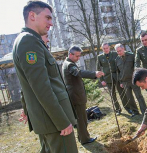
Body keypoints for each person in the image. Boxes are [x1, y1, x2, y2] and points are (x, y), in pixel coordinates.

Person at [13, 1, 78, 152]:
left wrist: (26, 108)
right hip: (54, 122)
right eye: (48, 18)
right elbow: (41, 87)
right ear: (32, 15)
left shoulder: (28, 40)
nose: (51, 23)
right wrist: (62, 121)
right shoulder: (29, 41)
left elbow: (28, 84)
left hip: (48, 120)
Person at [62, 46, 104, 145]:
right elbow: (79, 73)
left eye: (79, 56)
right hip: (76, 96)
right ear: (70, 54)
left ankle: (82, 137)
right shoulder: (69, 65)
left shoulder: (69, 63)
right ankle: (85, 139)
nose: (78, 58)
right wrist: (94, 73)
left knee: (81, 117)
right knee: (81, 119)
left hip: (76, 95)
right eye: (77, 56)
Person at [96, 43, 128, 115]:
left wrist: (122, 77)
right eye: (104, 48)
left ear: (109, 48)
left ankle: (127, 108)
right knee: (113, 95)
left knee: (122, 93)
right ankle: (118, 110)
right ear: (102, 49)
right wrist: (102, 80)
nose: (106, 50)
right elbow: (98, 69)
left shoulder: (114, 54)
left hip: (117, 77)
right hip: (108, 78)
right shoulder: (100, 57)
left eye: (107, 48)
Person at [115, 44, 146, 116]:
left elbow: (137, 67)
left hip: (133, 80)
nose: (119, 52)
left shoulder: (131, 55)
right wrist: (121, 82)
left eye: (120, 50)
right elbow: (118, 72)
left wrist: (138, 78)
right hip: (125, 81)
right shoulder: (117, 59)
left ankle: (144, 111)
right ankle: (135, 112)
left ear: (123, 49)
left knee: (139, 96)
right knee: (129, 98)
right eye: (117, 51)